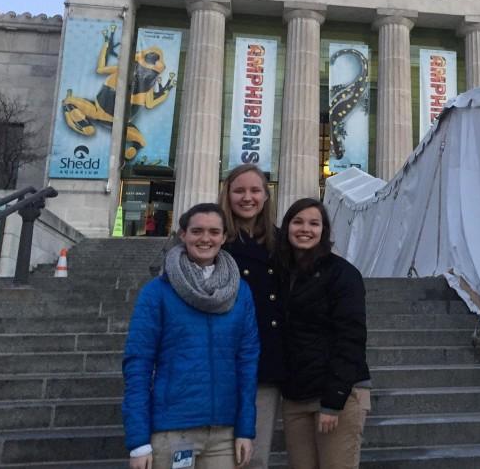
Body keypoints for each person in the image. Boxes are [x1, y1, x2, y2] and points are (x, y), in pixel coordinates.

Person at [122, 203, 258, 469]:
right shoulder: (157, 292)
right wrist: (138, 441)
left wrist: (245, 428)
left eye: (213, 232)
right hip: (173, 429)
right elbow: (138, 364)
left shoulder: (241, 292)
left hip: (224, 431)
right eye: (197, 231)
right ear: (183, 234)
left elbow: (247, 362)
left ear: (224, 237)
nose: (205, 239)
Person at [277, 198, 371, 469]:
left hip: (338, 394)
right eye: (297, 221)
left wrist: (333, 401)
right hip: (296, 395)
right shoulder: (283, 274)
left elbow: (351, 339)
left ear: (324, 231)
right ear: (286, 227)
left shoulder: (343, 274)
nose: (305, 229)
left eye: (314, 223)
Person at [218, 164, 283, 469]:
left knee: (254, 458)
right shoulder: (214, 240)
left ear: (266, 195)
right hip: (220, 363)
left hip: (264, 365)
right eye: (239, 190)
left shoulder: (281, 242)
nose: (248, 197)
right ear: (227, 195)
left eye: (255, 190)